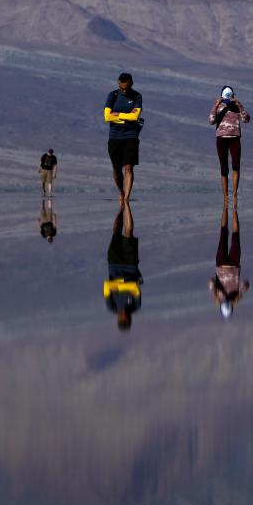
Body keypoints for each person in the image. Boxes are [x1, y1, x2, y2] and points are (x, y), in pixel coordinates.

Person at [103, 72, 143, 202]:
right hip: (115, 137)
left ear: (131, 83)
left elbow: (135, 117)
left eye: (126, 88)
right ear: (118, 83)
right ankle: (120, 192)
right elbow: (107, 117)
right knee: (116, 168)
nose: (124, 90)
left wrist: (118, 115)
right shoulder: (112, 95)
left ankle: (126, 198)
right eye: (122, 88)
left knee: (128, 166)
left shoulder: (137, 96)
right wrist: (126, 117)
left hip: (131, 135)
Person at [104, 201, 143, 332]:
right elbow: (135, 288)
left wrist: (125, 284)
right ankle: (126, 203)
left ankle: (121, 208)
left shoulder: (112, 307)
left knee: (116, 231)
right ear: (130, 318)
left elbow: (106, 286)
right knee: (129, 232)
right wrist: (121, 285)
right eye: (126, 317)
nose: (124, 314)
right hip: (130, 265)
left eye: (121, 318)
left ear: (118, 318)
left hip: (114, 264)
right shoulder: (135, 306)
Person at [208, 85, 250, 202]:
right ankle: (225, 196)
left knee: (236, 165)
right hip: (221, 139)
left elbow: (246, 119)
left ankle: (234, 194)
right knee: (224, 167)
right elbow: (211, 120)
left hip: (234, 138)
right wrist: (216, 105)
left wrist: (239, 104)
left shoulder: (237, 106)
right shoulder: (219, 106)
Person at [208, 204, 249, 319]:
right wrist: (239, 295)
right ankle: (234, 208)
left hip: (221, 264)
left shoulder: (218, 297)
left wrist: (215, 293)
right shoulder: (236, 297)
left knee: (224, 233)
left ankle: (226, 207)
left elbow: (210, 281)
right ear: (231, 306)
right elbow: (246, 283)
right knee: (235, 236)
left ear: (221, 306)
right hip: (234, 265)